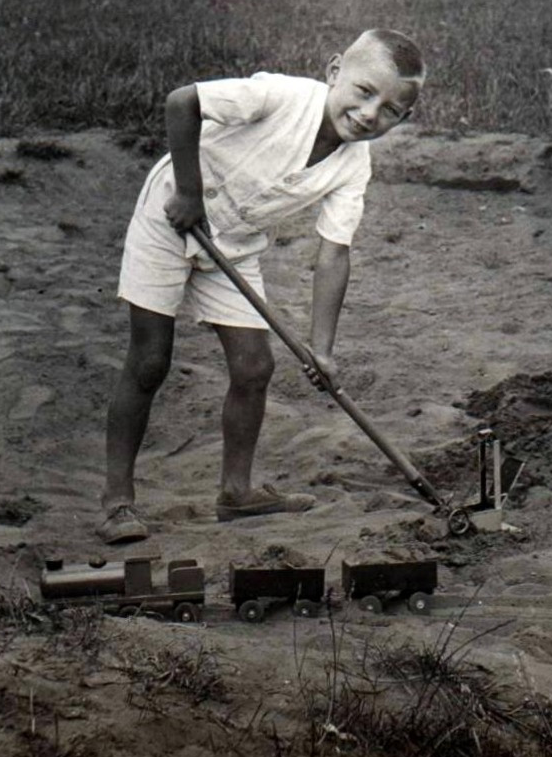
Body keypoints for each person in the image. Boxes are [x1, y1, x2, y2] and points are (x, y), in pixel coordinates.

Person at [98, 28, 426, 543]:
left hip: (235, 244)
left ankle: (236, 493)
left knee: (255, 367)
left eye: (389, 111)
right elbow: (182, 102)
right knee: (149, 361)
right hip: (172, 214)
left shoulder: (352, 167)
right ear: (335, 71)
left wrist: (322, 351)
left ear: (402, 120)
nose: (369, 114)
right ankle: (117, 501)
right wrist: (189, 191)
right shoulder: (281, 96)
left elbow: (334, 252)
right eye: (364, 92)